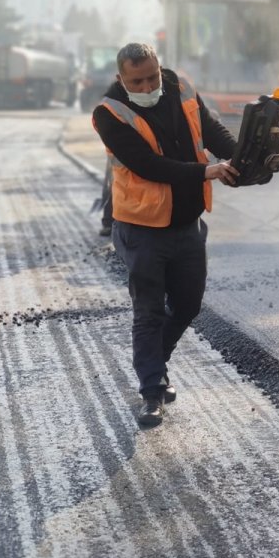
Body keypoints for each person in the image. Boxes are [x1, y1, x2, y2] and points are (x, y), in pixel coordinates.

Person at [92, 43, 239, 427]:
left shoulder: (180, 87)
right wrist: (206, 172)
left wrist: (241, 158)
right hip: (142, 231)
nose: (147, 87)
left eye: (152, 78)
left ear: (160, 68)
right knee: (150, 312)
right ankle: (152, 391)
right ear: (121, 79)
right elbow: (148, 165)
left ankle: (155, 364)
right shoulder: (109, 113)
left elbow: (211, 131)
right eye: (137, 82)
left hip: (187, 225)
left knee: (188, 304)